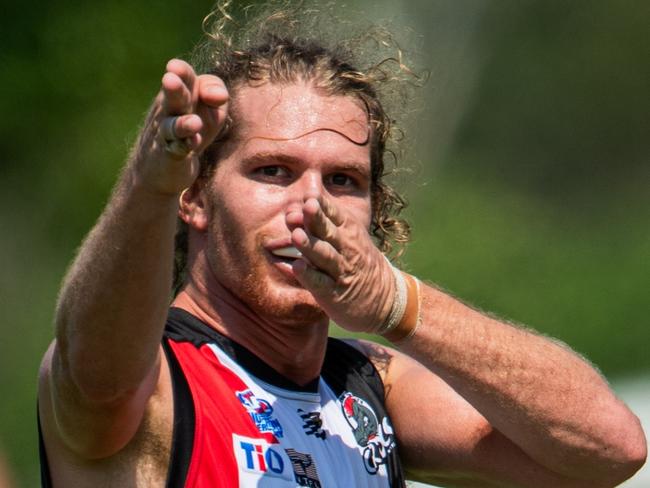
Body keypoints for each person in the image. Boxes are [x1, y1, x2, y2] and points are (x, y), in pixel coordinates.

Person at [37, 2, 646, 487]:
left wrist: (399, 307)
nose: (311, 205)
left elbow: (606, 451)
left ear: (376, 212)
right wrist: (150, 185)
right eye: (272, 170)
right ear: (195, 197)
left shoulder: (370, 386)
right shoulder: (156, 381)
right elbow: (93, 375)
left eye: (343, 180)